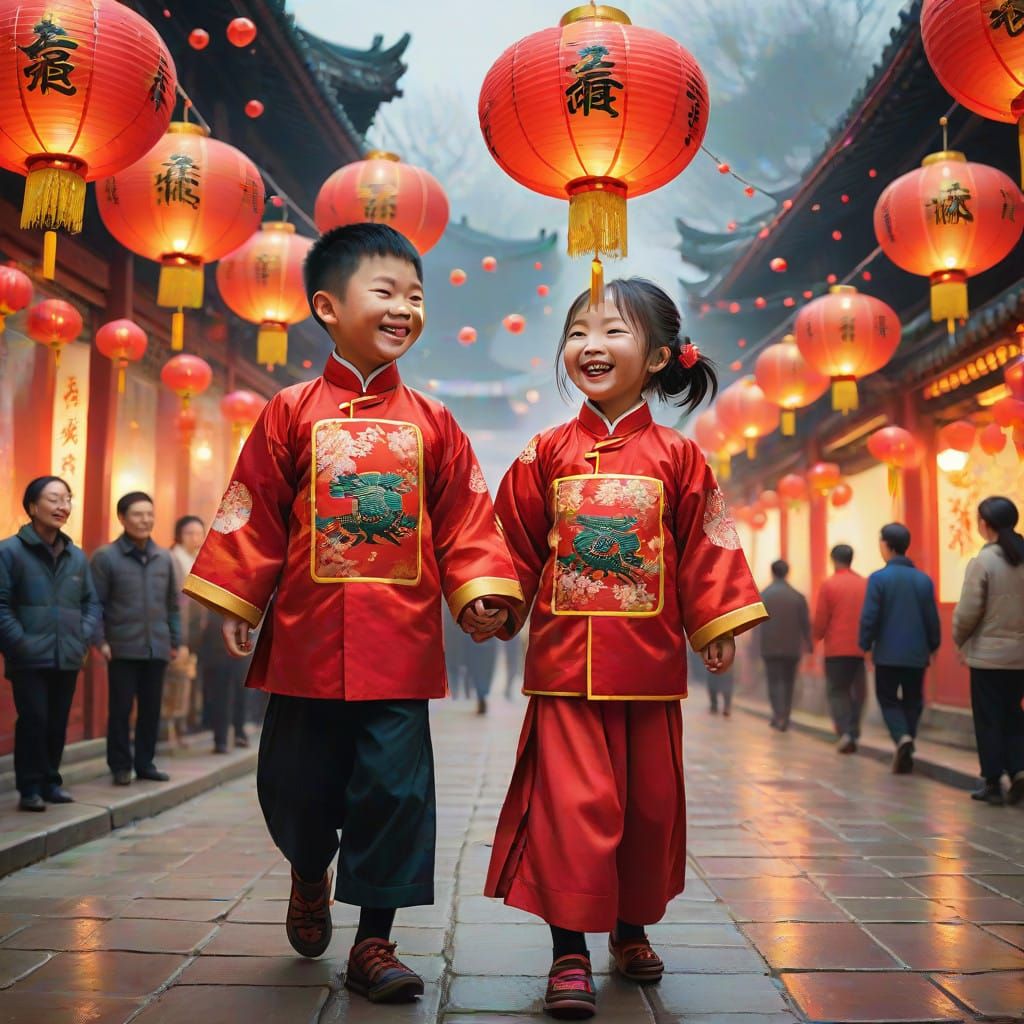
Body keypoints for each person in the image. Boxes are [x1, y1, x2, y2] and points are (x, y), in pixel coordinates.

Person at [181, 224, 522, 1004]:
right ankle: (308, 869)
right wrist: (241, 595)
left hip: (400, 653)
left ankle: (375, 941)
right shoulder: (289, 412)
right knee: (295, 790)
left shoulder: (435, 423)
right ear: (327, 307)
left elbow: (467, 519)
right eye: (386, 291)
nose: (405, 307)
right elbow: (255, 512)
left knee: (396, 800)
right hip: (304, 645)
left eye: (415, 295)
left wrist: (481, 594)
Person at [479, 278, 767, 1020]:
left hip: (648, 674)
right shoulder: (543, 453)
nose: (590, 346)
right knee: (572, 811)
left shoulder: (680, 458)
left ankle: (631, 929)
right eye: (578, 332)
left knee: (645, 811)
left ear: (660, 356)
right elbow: (508, 541)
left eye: (613, 332)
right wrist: (493, 596)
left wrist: (717, 619)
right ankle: (568, 951)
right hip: (563, 674)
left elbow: (707, 549)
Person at [0, 477, 101, 811]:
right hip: (28, 655)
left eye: (67, 499)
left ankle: (50, 782)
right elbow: (1, 605)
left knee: (57, 720)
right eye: (54, 499)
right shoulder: (8, 551)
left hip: (68, 653)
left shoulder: (76, 556)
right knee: (34, 719)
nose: (63, 506)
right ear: (32, 507)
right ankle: (29, 788)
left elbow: (91, 603)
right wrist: (20, 643)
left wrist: (81, 636)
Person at [91, 492, 180, 786]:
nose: (145, 520)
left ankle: (145, 763)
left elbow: (172, 605)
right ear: (122, 518)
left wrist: (175, 640)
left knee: (151, 709)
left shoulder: (164, 557)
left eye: (149, 514)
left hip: (157, 646)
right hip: (122, 647)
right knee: (120, 709)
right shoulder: (106, 557)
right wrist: (100, 640)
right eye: (138, 515)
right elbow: (95, 603)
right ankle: (119, 765)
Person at [952, 496, 1024, 807]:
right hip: (1020, 657)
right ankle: (1019, 768)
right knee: (1014, 715)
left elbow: (968, 611)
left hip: (988, 657)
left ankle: (992, 782)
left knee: (989, 718)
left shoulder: (984, 561)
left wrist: (959, 639)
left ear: (986, 524)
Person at [859, 522, 940, 775]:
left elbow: (870, 616)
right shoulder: (923, 580)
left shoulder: (879, 579)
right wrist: (933, 644)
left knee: (888, 698)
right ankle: (907, 740)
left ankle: (902, 737)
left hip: (888, 654)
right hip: (917, 654)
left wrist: (865, 643)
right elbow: (931, 618)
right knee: (914, 700)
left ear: (886, 545)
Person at [813, 544, 868, 754]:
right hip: (859, 648)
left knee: (837, 691)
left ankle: (844, 731)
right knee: (858, 692)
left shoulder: (829, 585)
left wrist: (816, 638)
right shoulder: (863, 584)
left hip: (836, 650)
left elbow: (821, 619)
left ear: (833, 560)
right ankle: (854, 730)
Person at [758, 560, 812, 731]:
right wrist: (809, 644)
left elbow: (757, 625)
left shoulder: (764, 595)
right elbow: (805, 624)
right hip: (791, 648)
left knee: (774, 682)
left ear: (772, 572)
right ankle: (785, 716)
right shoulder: (798, 596)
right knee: (789, 682)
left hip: (770, 647)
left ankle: (778, 715)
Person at [166, 515, 205, 743]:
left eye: (199, 533)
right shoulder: (173, 559)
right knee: (174, 681)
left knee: (187, 680)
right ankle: (171, 729)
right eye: (190, 533)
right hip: (179, 631)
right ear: (179, 535)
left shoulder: (196, 559)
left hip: (196, 633)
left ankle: (184, 724)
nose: (195, 538)